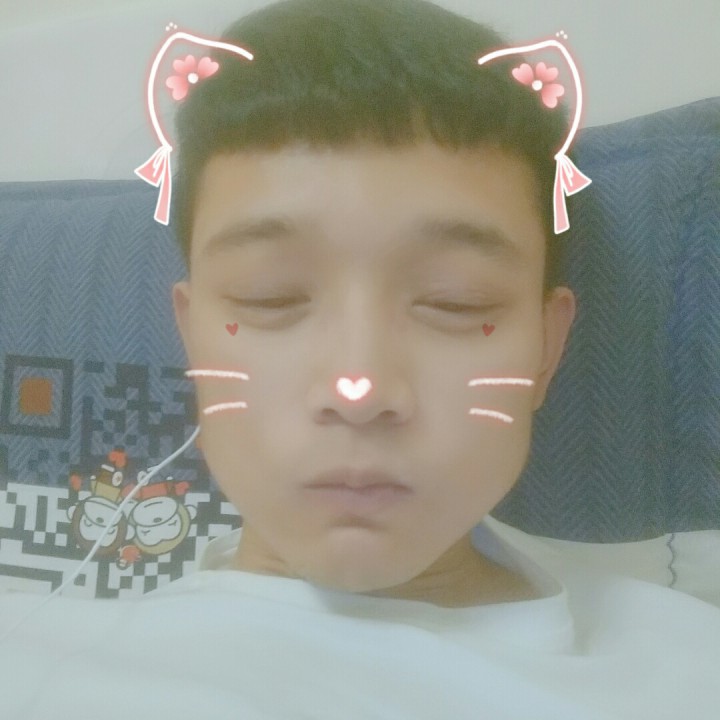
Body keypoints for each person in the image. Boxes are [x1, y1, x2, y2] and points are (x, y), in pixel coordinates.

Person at [1, 1, 719, 718]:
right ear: (191, 340)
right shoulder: (34, 666)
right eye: (271, 295)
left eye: (455, 302)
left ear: (545, 350)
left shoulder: (689, 663)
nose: (359, 388)